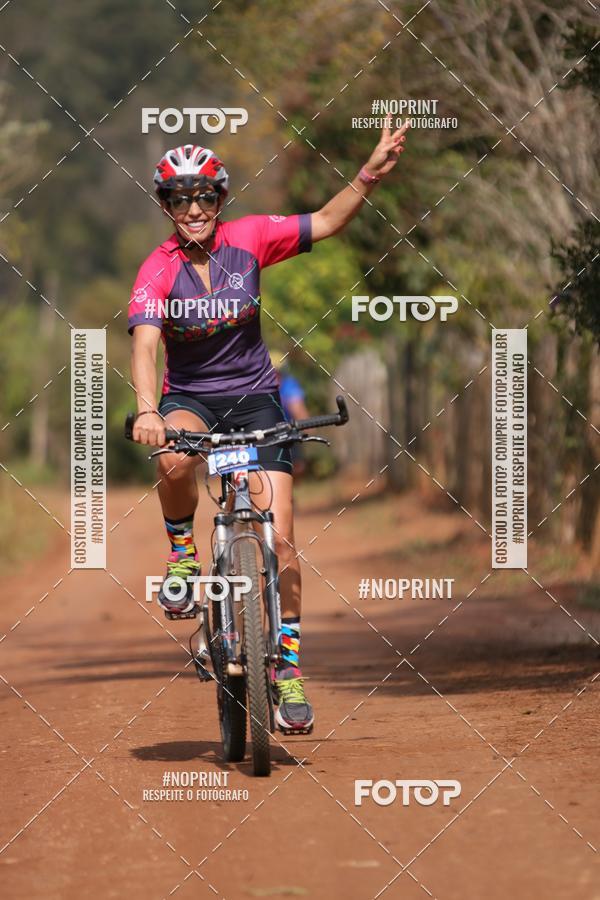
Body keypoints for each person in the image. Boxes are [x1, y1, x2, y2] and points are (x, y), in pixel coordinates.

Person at [128, 122, 409, 733]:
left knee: (281, 543)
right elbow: (146, 346)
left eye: (205, 196)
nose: (194, 208)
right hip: (192, 401)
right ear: (165, 206)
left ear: (222, 200)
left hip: (257, 402)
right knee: (173, 460)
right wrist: (149, 410)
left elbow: (328, 222)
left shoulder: (252, 238)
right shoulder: (157, 269)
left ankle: (287, 671)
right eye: (180, 198)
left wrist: (368, 172)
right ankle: (181, 558)